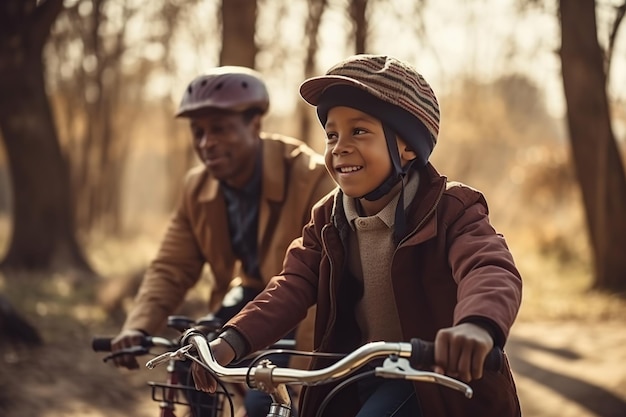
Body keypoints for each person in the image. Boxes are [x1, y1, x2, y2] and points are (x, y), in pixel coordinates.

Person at [192, 54, 523, 417]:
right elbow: (291, 285)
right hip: (354, 372)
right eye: (331, 135)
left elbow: (488, 267)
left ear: (408, 146)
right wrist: (233, 339)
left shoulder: (450, 208)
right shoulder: (328, 218)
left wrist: (477, 327)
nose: (340, 147)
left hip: (436, 379)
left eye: (359, 131)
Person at [110, 65, 336, 417]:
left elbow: (321, 283)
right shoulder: (197, 187)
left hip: (304, 307)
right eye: (197, 132)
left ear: (255, 125)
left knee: (269, 399)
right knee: (188, 361)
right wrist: (138, 326)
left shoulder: (312, 178)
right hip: (248, 298)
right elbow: (172, 266)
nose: (206, 143)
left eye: (219, 129)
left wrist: (300, 373)